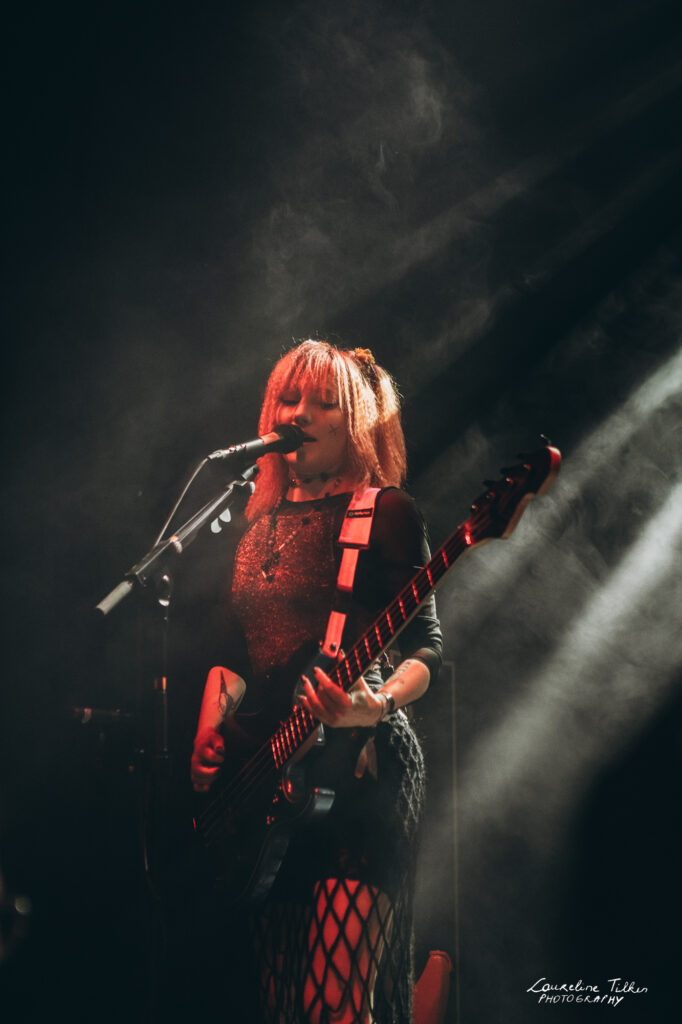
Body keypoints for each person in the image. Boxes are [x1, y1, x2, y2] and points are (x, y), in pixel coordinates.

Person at [190, 339, 442, 1024]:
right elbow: (235, 654)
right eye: (288, 399)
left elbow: (426, 645)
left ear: (354, 421)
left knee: (336, 1005)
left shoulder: (385, 511)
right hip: (274, 778)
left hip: (361, 768)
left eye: (323, 403)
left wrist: (377, 704)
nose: (298, 414)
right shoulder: (255, 526)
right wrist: (209, 729)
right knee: (281, 1006)